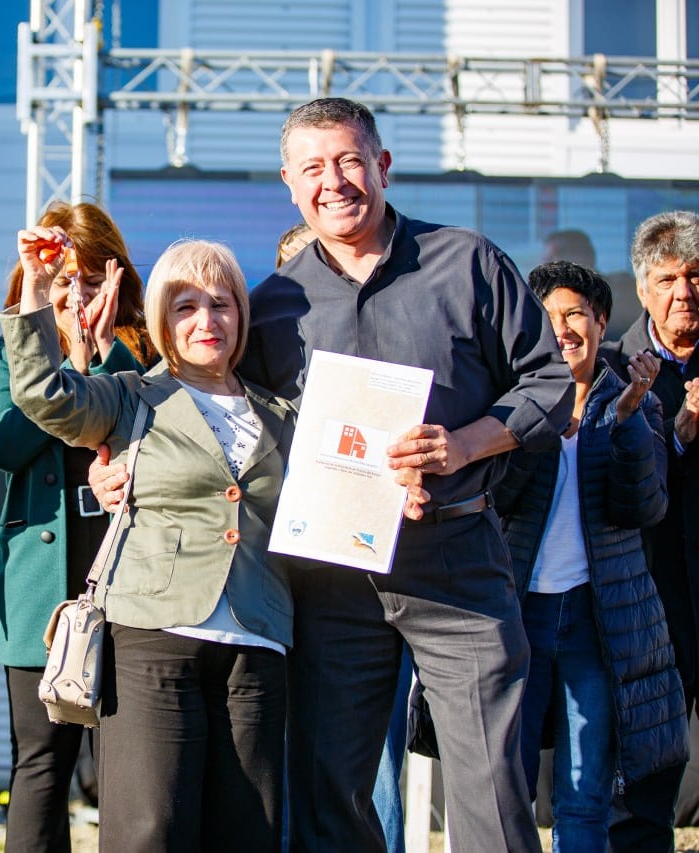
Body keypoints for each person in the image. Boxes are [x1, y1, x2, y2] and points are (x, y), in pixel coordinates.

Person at [245, 97, 574, 850]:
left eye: (351, 160)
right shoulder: (271, 307)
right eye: (315, 168)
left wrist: (463, 445)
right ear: (290, 184)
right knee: (331, 791)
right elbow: (222, 416)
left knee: (490, 791)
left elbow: (549, 383)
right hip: (331, 578)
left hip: (456, 560)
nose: (336, 181)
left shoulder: (469, 264)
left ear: (383, 166)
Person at [3, 235, 299, 851]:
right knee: (150, 830)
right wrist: (36, 288)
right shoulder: (133, 395)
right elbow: (43, 395)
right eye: (185, 306)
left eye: (221, 303)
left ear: (243, 315)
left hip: (258, 635)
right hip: (151, 635)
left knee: (248, 833)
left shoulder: (281, 414)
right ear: (162, 321)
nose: (206, 321)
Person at [0, 201, 155, 853]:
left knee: (127, 773)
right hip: (41, 590)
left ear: (116, 278)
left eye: (88, 276)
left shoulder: (150, 348)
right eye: (60, 276)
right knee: (41, 762)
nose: (74, 292)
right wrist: (64, 363)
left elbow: (146, 423)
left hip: (133, 579)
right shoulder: (10, 347)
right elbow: (1, 442)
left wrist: (101, 357)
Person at [495, 260, 687, 850]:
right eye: (549, 317)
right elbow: (501, 496)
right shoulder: (506, 407)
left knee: (584, 799)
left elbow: (644, 506)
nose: (563, 329)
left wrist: (626, 419)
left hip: (597, 623)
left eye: (575, 314)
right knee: (506, 792)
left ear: (602, 323)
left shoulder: (632, 401)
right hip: (516, 618)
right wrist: (540, 418)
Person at [601, 210, 699, 851]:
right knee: (644, 773)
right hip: (650, 595)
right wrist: (680, 435)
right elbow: (608, 482)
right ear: (642, 289)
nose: (683, 293)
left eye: (696, 276)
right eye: (667, 279)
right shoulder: (614, 369)